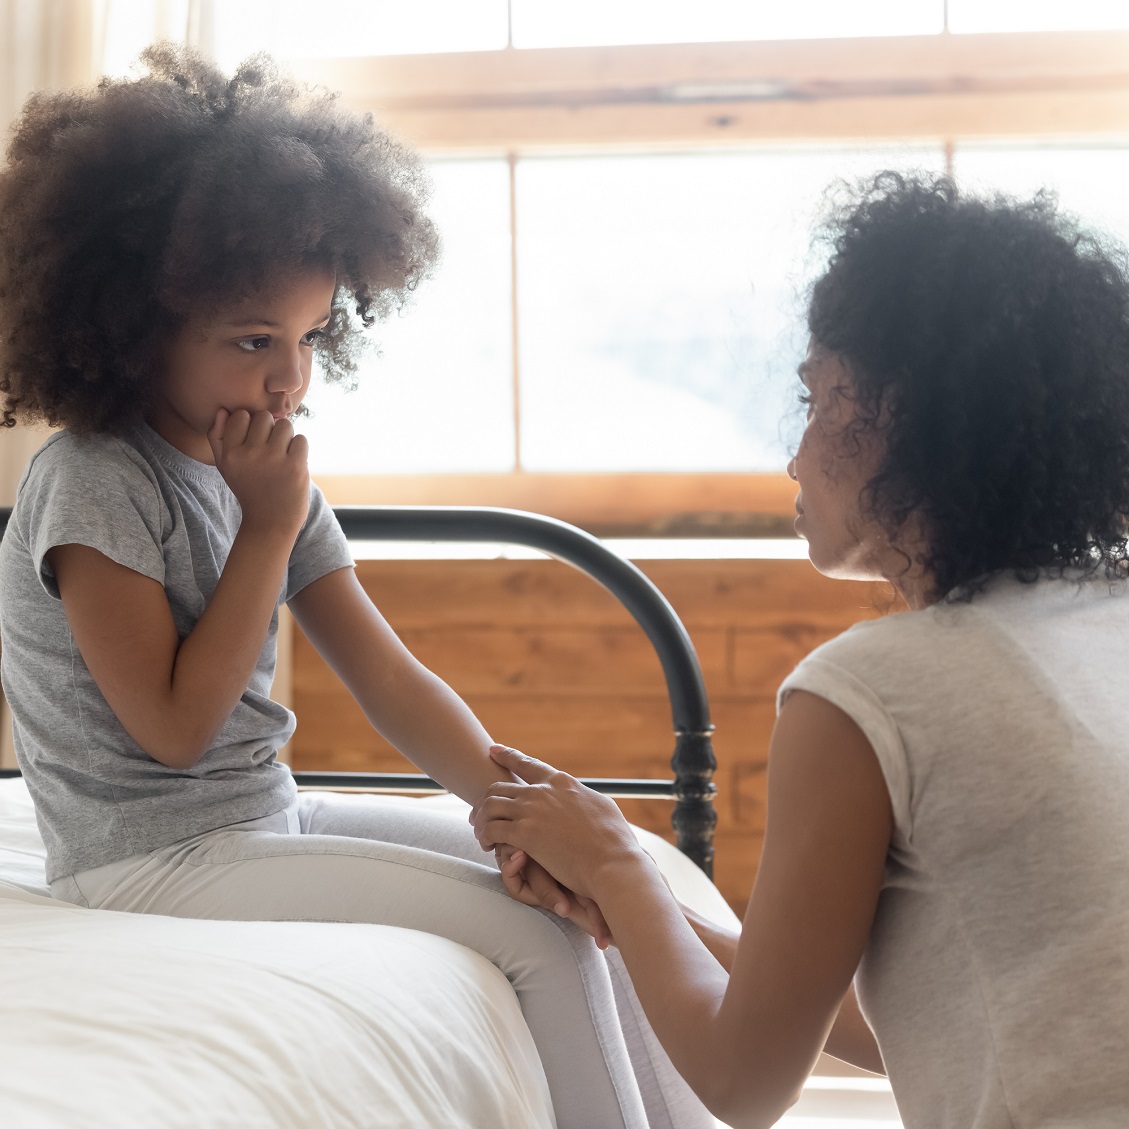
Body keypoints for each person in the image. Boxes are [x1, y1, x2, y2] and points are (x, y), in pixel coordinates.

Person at [0, 45, 714, 1129]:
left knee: (596, 884)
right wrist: (265, 531)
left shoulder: (269, 469)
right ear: (135, 330)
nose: (289, 378)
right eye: (252, 342)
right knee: (531, 932)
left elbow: (387, 675)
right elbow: (176, 729)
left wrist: (510, 804)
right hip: (143, 862)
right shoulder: (93, 481)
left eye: (308, 338)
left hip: (258, 819)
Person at [472, 171, 1129, 1129]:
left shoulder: (871, 688)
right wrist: (650, 919)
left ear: (905, 420)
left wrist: (618, 858)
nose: (794, 451)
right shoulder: (1105, 619)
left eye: (820, 397)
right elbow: (927, 999)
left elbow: (745, 1083)